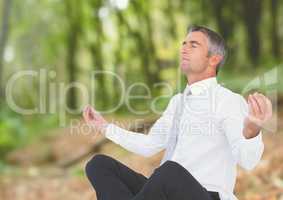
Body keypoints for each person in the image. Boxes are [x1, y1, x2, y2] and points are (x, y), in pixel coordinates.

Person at [83, 25, 273, 200]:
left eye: (193, 45)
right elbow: (149, 145)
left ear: (214, 59)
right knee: (99, 165)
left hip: (205, 194)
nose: (183, 48)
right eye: (183, 44)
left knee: (169, 172)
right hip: (163, 189)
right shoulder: (177, 102)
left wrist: (251, 133)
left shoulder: (228, 100)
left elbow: (248, 161)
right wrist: (105, 127)